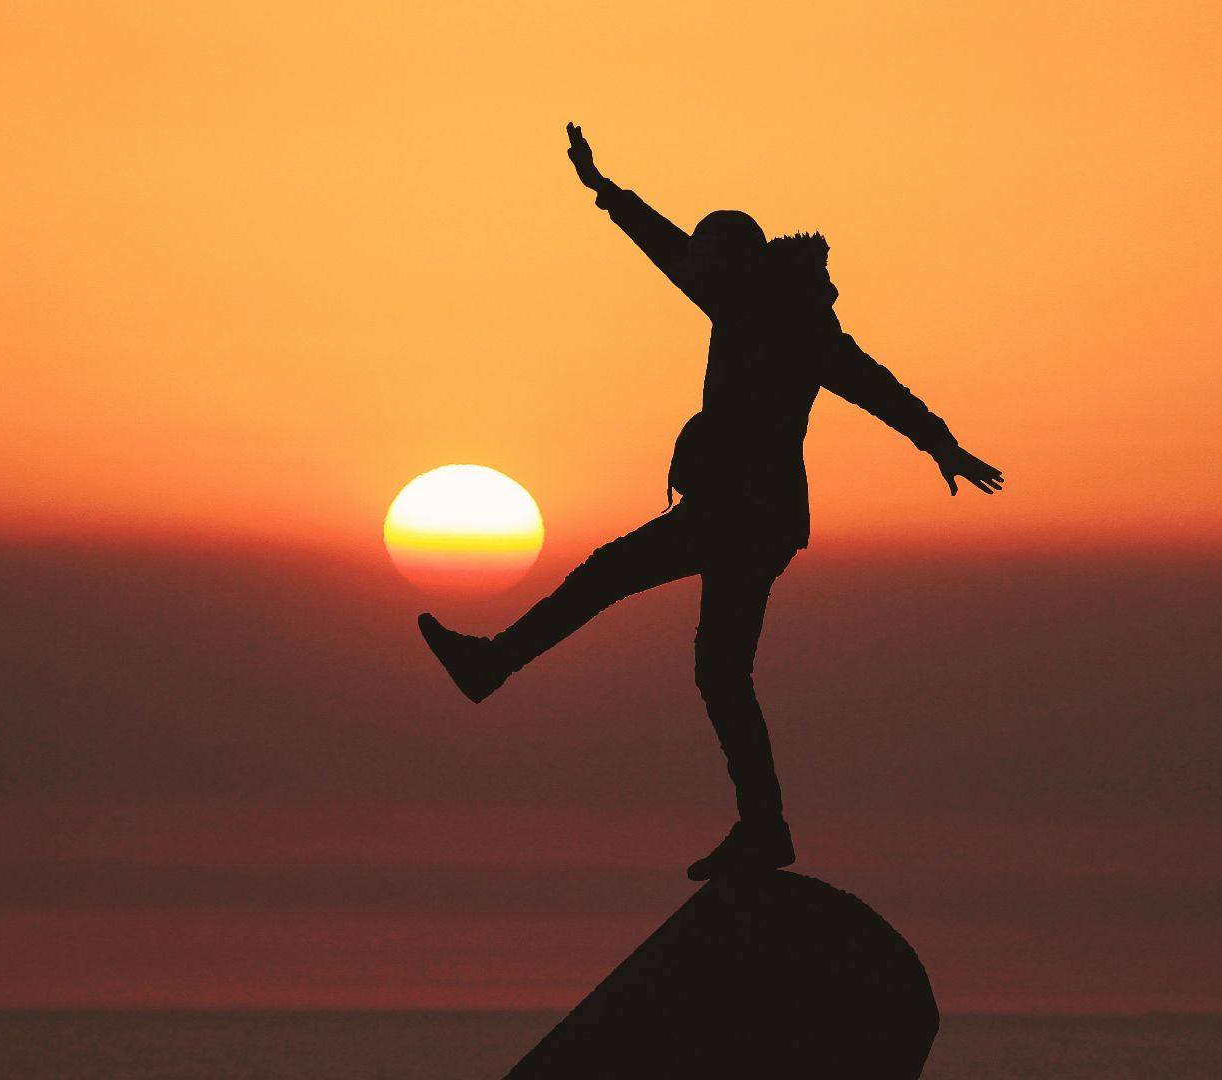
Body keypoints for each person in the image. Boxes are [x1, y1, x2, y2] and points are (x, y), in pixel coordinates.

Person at [419, 123, 1004, 880]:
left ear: (728, 263)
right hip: (759, 522)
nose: (699, 275)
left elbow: (673, 254)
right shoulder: (796, 316)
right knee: (719, 670)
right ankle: (763, 826)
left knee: (612, 579)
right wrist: (941, 444)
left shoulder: (756, 306)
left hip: (736, 514)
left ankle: (492, 666)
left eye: (707, 263)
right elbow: (876, 383)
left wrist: (606, 193)